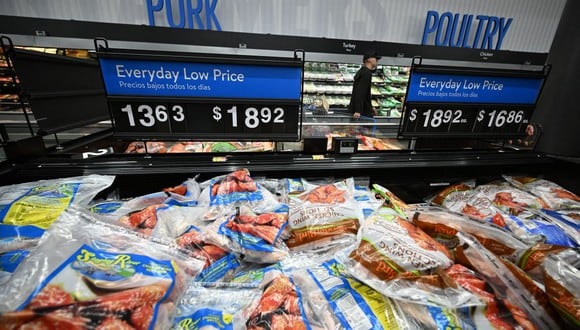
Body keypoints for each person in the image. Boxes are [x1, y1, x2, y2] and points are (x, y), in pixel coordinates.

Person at [348, 50, 380, 119]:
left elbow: (363, 93)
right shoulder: (366, 73)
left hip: (362, 109)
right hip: (362, 112)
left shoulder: (363, 71)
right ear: (369, 60)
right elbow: (360, 92)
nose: (377, 61)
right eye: (375, 58)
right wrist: (358, 111)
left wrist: (371, 107)